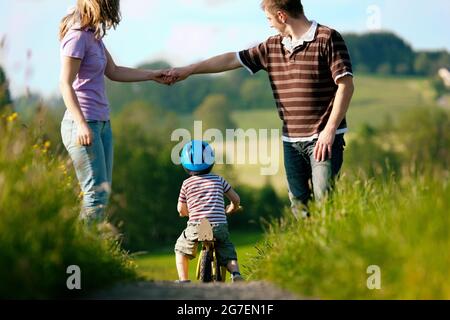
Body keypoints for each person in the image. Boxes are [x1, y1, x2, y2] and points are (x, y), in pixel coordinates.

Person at [167, 0, 355, 219]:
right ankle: (311, 250)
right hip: (291, 141)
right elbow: (231, 59)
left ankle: (333, 249)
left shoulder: (328, 38)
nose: (269, 24)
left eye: (269, 19)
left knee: (325, 199)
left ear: (282, 16)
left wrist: (330, 130)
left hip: (323, 139)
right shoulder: (272, 46)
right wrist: (189, 70)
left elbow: (346, 85)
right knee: (298, 202)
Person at [59, 0, 169, 223]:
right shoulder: (77, 36)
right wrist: (81, 123)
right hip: (82, 125)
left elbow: (115, 71)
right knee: (95, 196)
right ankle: (83, 250)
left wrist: (152, 75)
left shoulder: (93, 36)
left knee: (102, 193)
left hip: (102, 124)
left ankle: (92, 248)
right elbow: (64, 83)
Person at [174, 140, 243, 283]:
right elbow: (236, 199)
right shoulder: (218, 180)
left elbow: (181, 209)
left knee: (180, 250)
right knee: (227, 251)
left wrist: (186, 214)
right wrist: (232, 208)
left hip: (196, 225)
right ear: (211, 161)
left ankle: (183, 280)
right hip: (219, 225)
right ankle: (236, 274)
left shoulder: (186, 184)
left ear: (185, 164)